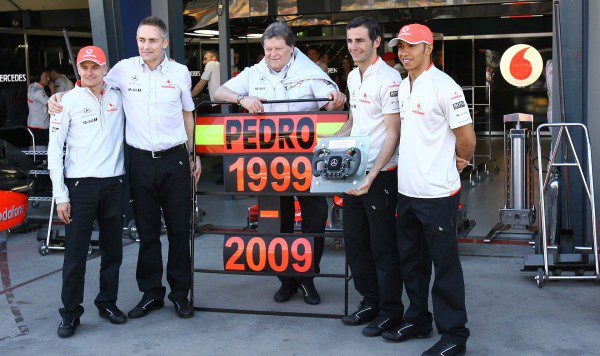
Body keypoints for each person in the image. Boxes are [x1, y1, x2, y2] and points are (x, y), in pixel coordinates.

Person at [49, 16, 202, 320]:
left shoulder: (180, 73)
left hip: (174, 159)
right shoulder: (123, 69)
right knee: (146, 232)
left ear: (165, 42)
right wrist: (59, 96)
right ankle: (151, 293)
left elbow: (188, 114)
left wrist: (193, 155)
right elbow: (90, 85)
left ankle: (180, 294)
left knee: (178, 231)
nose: (146, 46)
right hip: (139, 162)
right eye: (142, 40)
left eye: (152, 40)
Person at [214, 21, 346, 305]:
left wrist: (336, 99)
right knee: (277, 223)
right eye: (268, 49)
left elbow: (331, 103)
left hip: (308, 162)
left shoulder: (309, 71)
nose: (272, 54)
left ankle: (308, 279)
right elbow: (218, 93)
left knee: (313, 221)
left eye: (278, 49)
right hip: (270, 164)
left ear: (292, 48)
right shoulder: (255, 71)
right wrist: (242, 97)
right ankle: (285, 280)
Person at [383, 24, 475, 356]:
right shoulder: (405, 86)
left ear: (427, 48)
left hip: (437, 194)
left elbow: (467, 137)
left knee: (445, 266)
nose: (403, 52)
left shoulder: (444, 87)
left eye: (410, 46)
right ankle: (419, 319)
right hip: (408, 191)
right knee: (412, 262)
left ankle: (454, 335)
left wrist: (458, 163)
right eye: (400, 47)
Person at [326, 16, 404, 338]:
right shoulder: (353, 77)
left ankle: (390, 311)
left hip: (381, 176)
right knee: (356, 244)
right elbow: (353, 122)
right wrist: (327, 145)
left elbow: (393, 134)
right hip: (352, 174)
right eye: (349, 41)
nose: (354, 46)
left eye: (360, 40)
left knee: (383, 248)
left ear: (376, 43)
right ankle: (369, 302)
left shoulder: (389, 80)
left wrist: (372, 175)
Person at [48, 46, 126, 338]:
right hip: (80, 187)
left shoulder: (119, 95)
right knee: (75, 254)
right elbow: (54, 151)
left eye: (96, 67)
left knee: (113, 251)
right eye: (85, 67)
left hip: (114, 183)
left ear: (106, 69)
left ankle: (107, 303)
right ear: (77, 70)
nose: (90, 72)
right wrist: (61, 195)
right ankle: (70, 314)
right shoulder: (65, 101)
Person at [27, 68, 54, 145]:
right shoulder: (39, 92)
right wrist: (53, 90)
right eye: (46, 77)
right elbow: (51, 104)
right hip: (41, 125)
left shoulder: (31, 86)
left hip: (32, 123)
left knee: (35, 149)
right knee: (41, 150)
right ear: (39, 77)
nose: (48, 79)